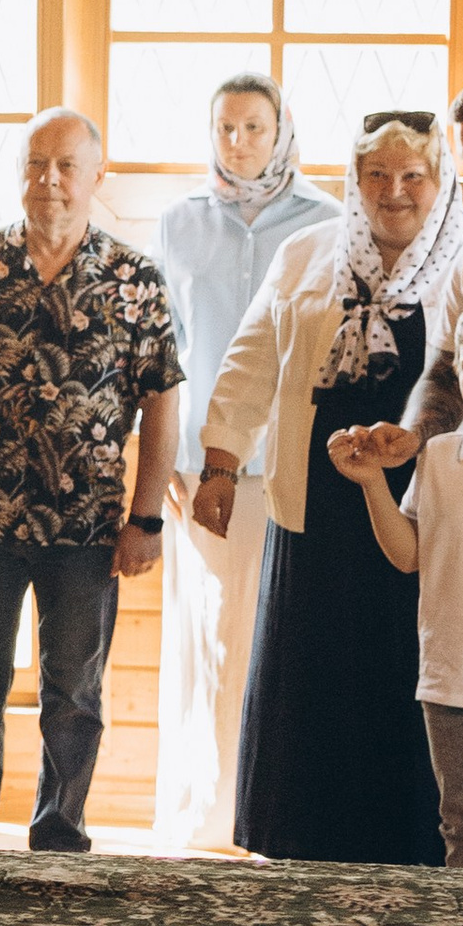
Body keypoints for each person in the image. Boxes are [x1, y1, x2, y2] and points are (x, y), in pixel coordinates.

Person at [0, 110, 181, 853]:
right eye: (35, 164)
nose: (49, 181)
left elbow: (162, 400)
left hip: (88, 532)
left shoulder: (136, 279)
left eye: (65, 165)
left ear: (97, 174)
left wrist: (147, 517)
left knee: (74, 695)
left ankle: (59, 833)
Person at [197, 112, 463, 866]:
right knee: (312, 684)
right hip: (314, 505)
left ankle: (414, 848)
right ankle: (301, 842)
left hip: (425, 509)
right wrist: (221, 465)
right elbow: (250, 360)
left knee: (408, 679)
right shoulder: (307, 252)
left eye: (413, 175)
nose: (394, 191)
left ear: (438, 182)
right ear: (355, 181)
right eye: (377, 174)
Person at [151, 75, 336, 846]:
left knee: (277, 634)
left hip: (290, 460)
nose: (239, 142)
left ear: (282, 128)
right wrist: (162, 455)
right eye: (226, 128)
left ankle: (271, 804)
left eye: (254, 127)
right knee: (209, 637)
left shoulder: (326, 221)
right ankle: (204, 814)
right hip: (203, 460)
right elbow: (167, 352)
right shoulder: (179, 222)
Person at [324, 419, 463, 868]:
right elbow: (408, 554)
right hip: (451, 674)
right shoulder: (440, 454)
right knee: (461, 828)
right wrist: (372, 483)